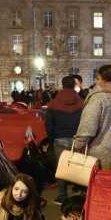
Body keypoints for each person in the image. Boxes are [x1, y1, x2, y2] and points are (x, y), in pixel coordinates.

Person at [73, 65, 111, 170]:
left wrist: (78, 145)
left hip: (98, 156)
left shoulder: (98, 98)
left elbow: (87, 127)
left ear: (105, 80)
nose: (96, 82)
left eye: (98, 78)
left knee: (97, 185)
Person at [45, 76, 84, 205]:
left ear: (62, 86)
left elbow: (49, 124)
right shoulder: (82, 102)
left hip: (59, 138)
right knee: (79, 165)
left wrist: (52, 139)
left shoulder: (53, 103)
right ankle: (82, 193)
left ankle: (62, 195)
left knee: (61, 167)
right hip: (77, 138)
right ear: (74, 86)